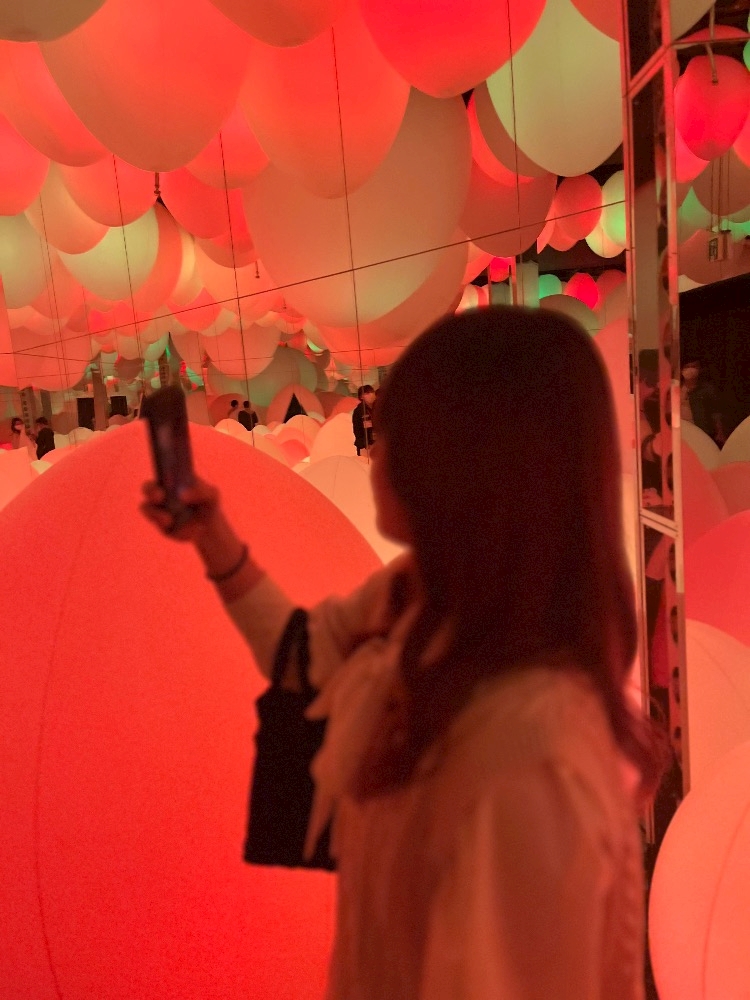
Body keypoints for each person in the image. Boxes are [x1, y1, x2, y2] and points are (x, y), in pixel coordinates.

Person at [142, 306, 663, 1000]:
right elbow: (302, 657)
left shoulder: (532, 759)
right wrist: (213, 538)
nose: (374, 451)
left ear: (469, 458)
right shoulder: (417, 597)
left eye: (394, 430)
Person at [680, 358, 725, 445]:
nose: (690, 369)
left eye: (694, 366)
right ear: (682, 370)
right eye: (687, 367)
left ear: (700, 369)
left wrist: (720, 431)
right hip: (682, 433)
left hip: (702, 432)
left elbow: (715, 413)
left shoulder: (707, 390)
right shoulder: (676, 389)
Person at [352, 384, 376, 456]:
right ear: (361, 396)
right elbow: (357, 430)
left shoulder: (378, 407)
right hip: (365, 446)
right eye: (367, 393)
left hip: (378, 443)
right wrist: (364, 443)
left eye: (372, 392)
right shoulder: (359, 411)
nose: (371, 394)